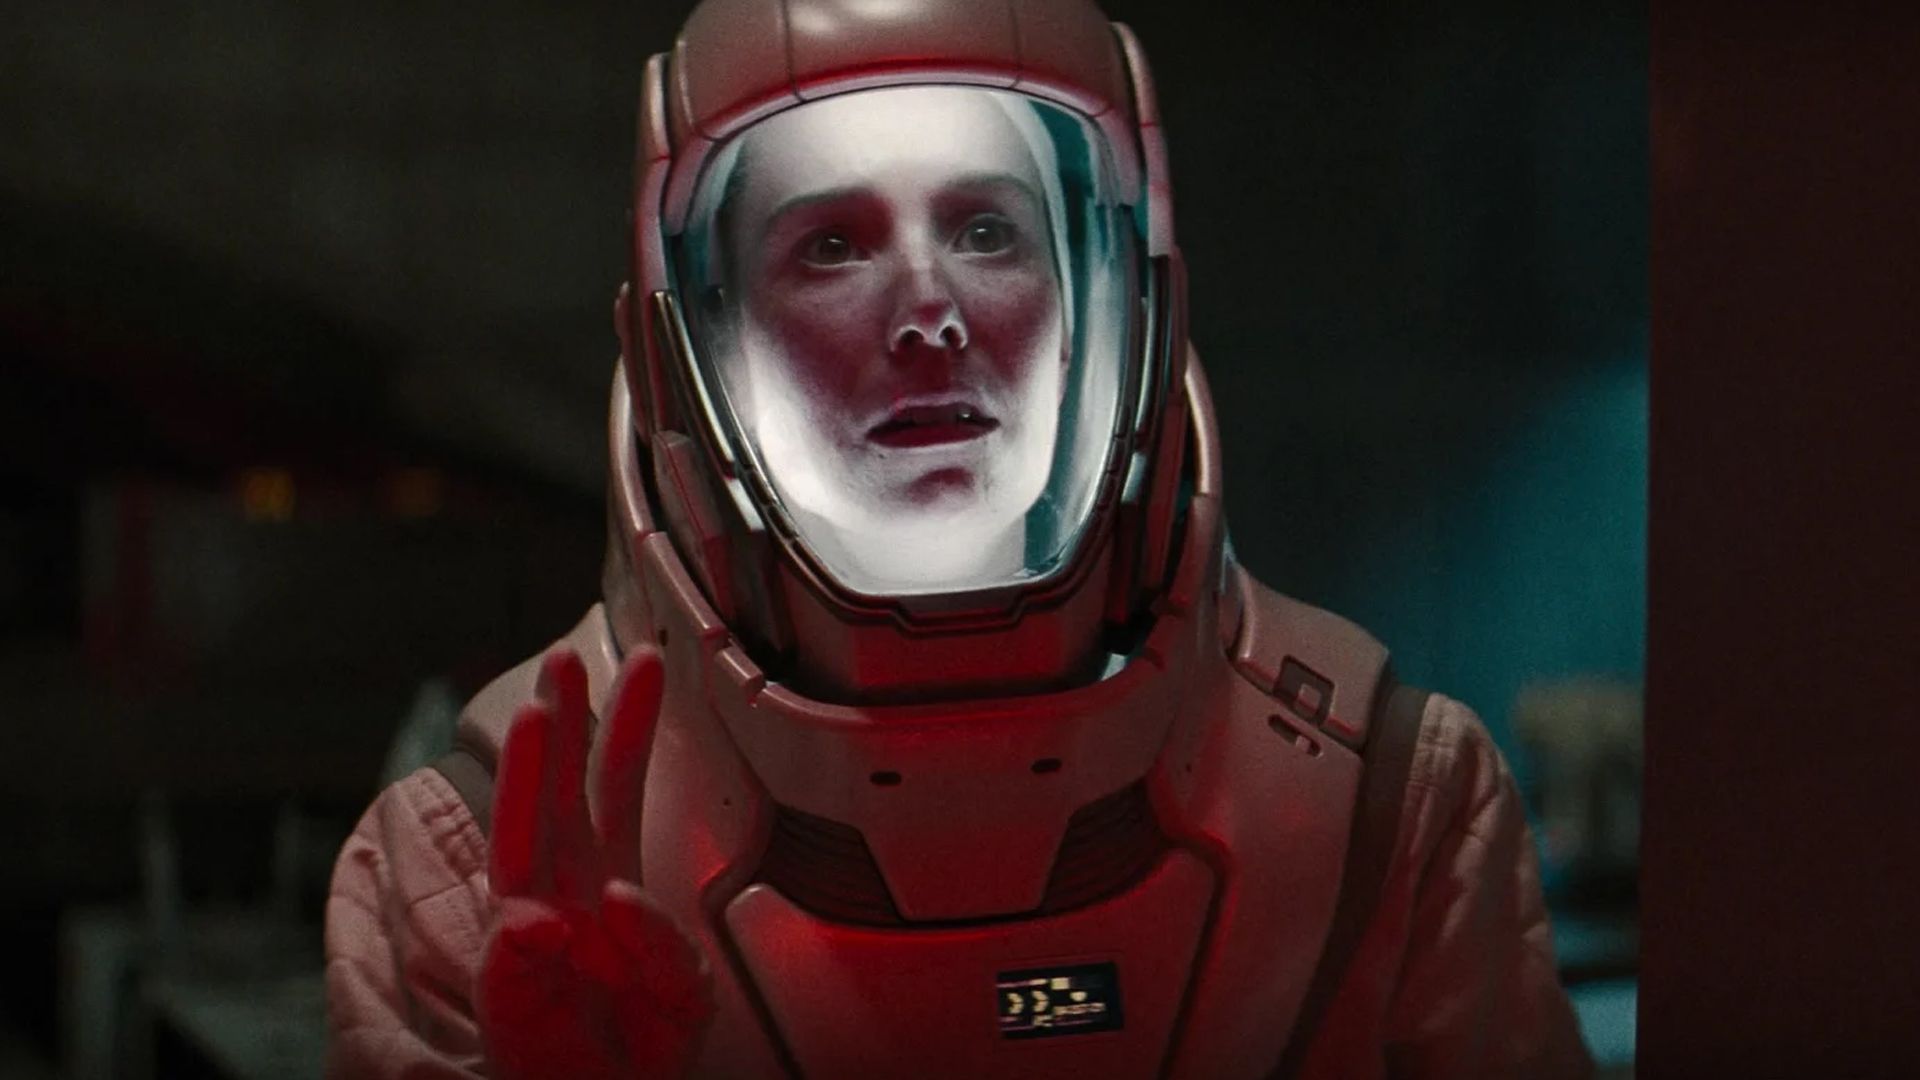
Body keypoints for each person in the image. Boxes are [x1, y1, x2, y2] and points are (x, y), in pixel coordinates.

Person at [325, 0, 1593, 1076]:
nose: (929, 312)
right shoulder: (474, 872)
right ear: (692, 347)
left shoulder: (1390, 810)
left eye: (988, 230)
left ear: (1110, 298)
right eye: (831, 246)